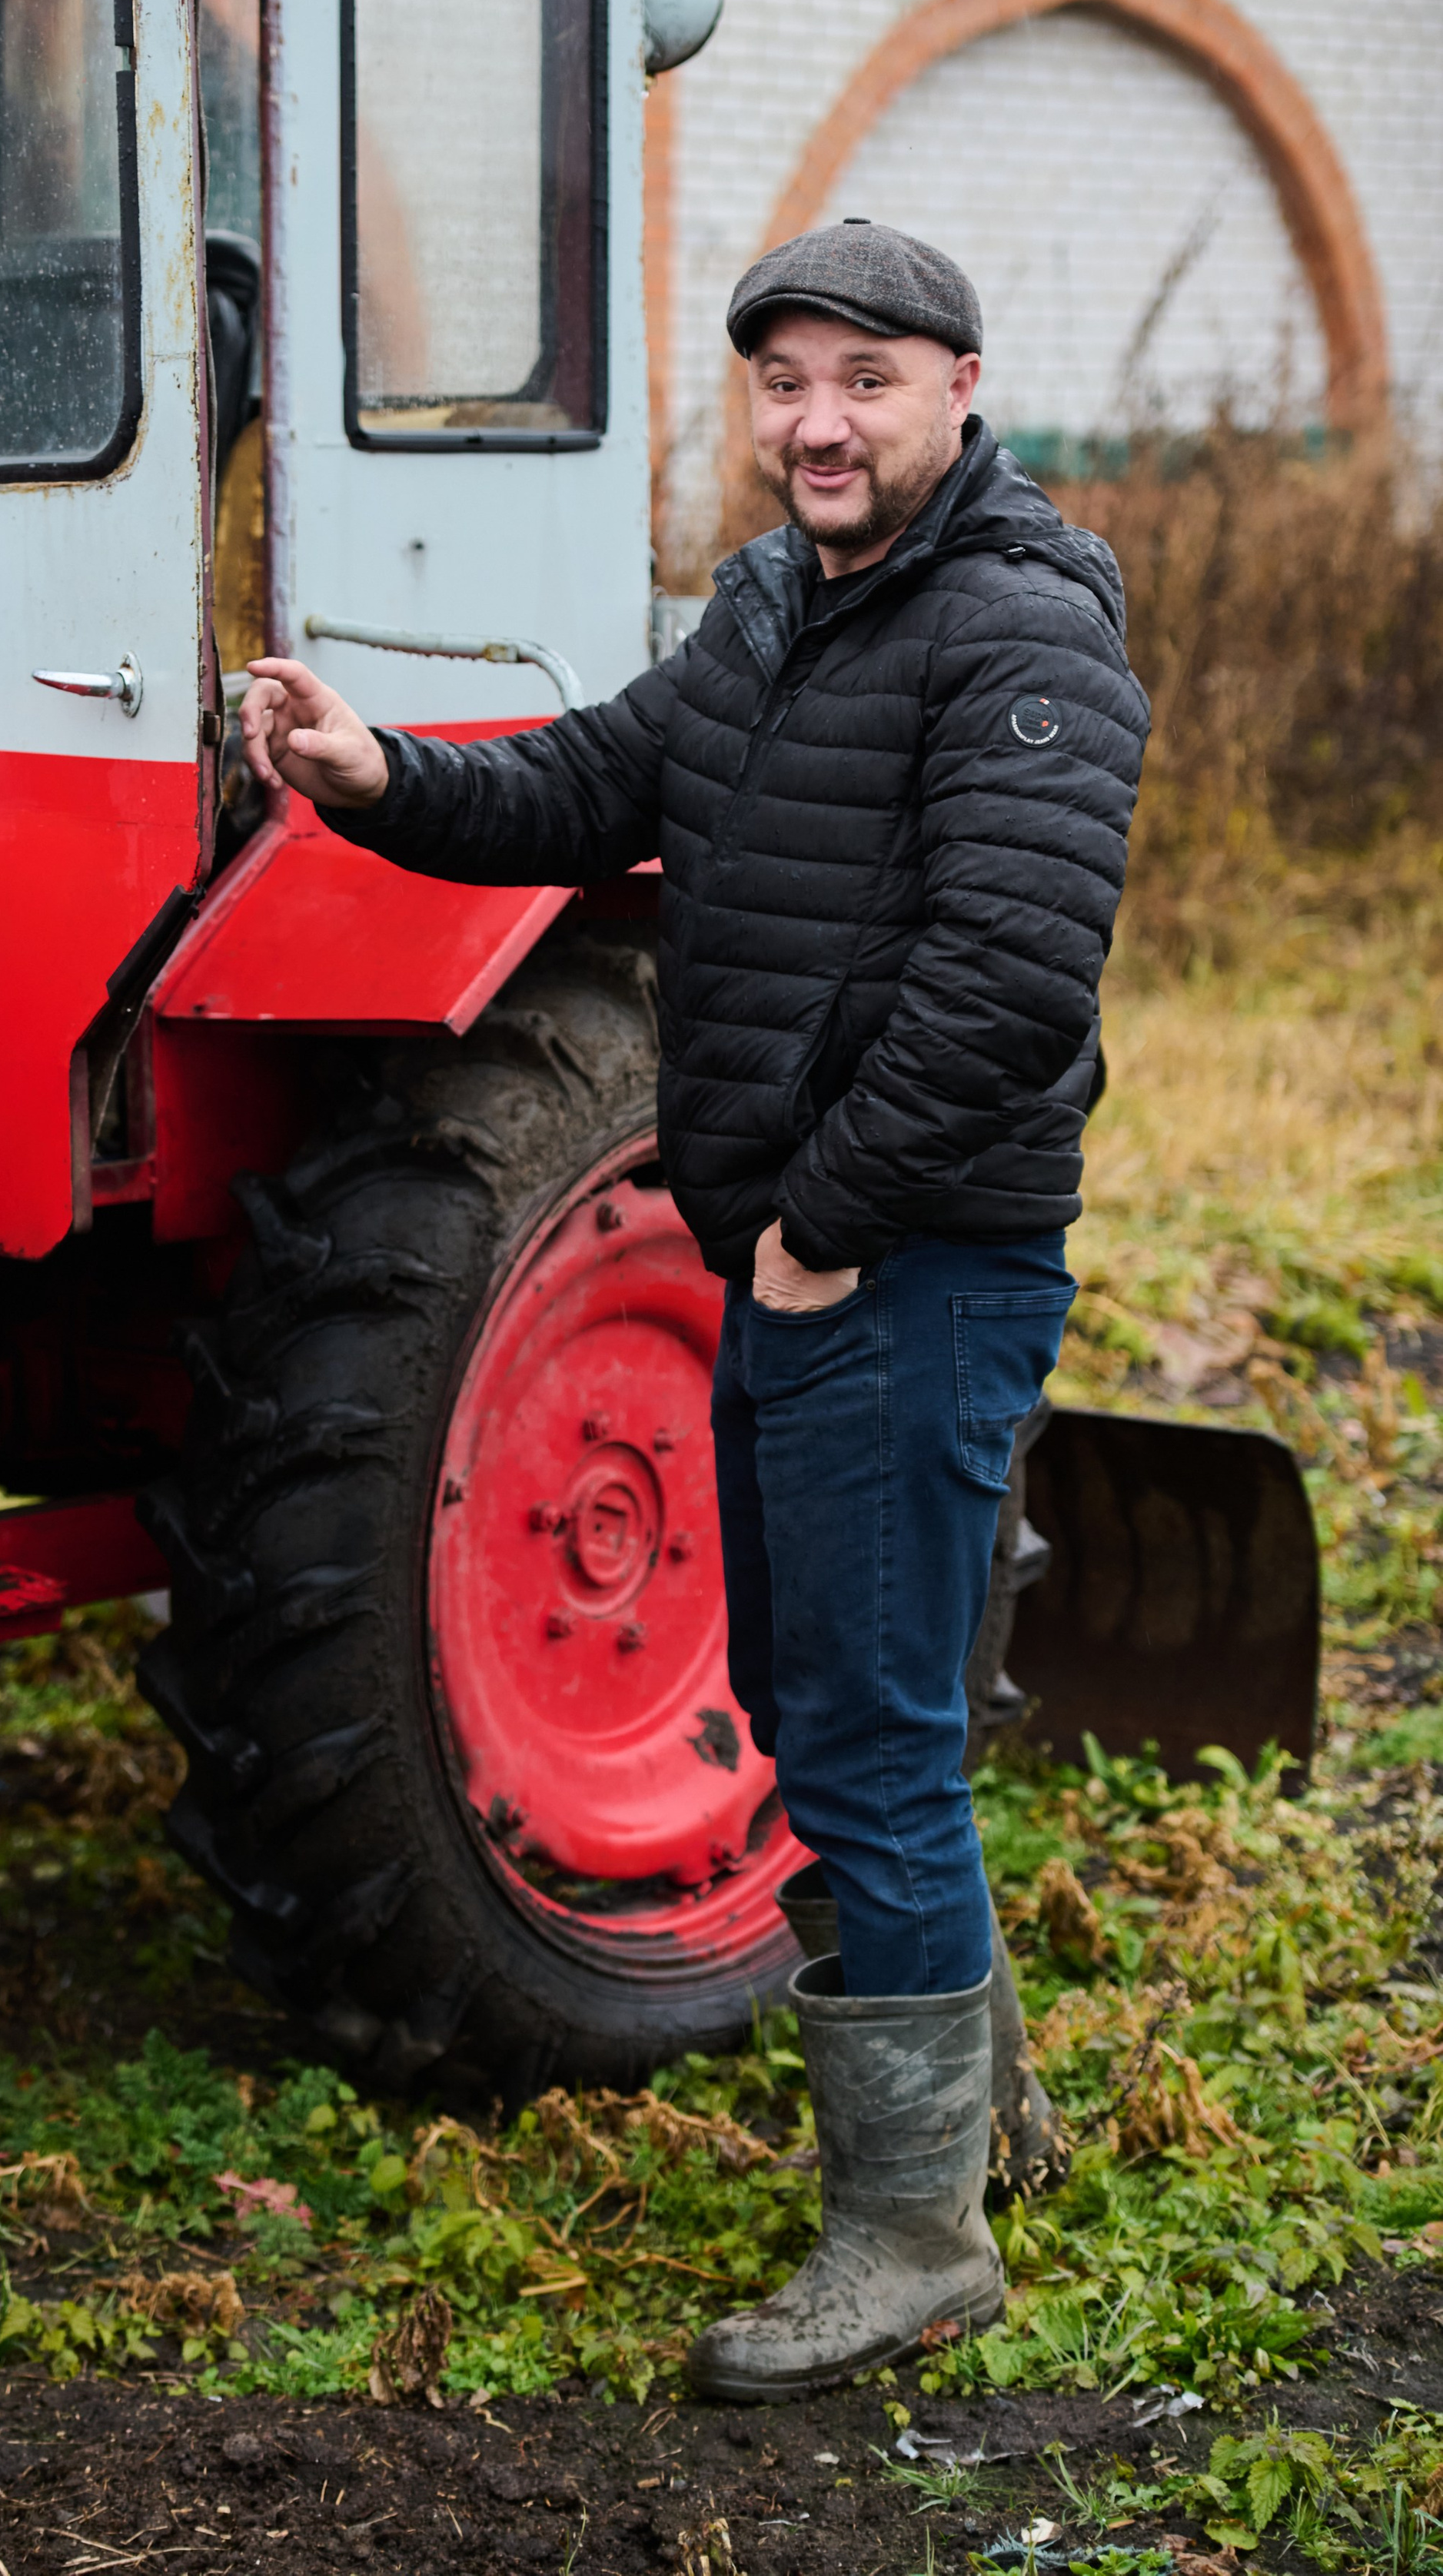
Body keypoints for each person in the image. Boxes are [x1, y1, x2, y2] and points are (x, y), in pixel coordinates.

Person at [238, 221, 1150, 2398]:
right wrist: (382, 777)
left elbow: (1014, 981)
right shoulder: (765, 611)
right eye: (784, 382)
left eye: (865, 381)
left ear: (959, 390)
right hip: (792, 1259)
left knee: (867, 1735)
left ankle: (912, 2239)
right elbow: (588, 785)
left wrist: (825, 1219)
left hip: (909, 1265)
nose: (818, 424)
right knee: (829, 1700)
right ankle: (972, 2125)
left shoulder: (1023, 630)